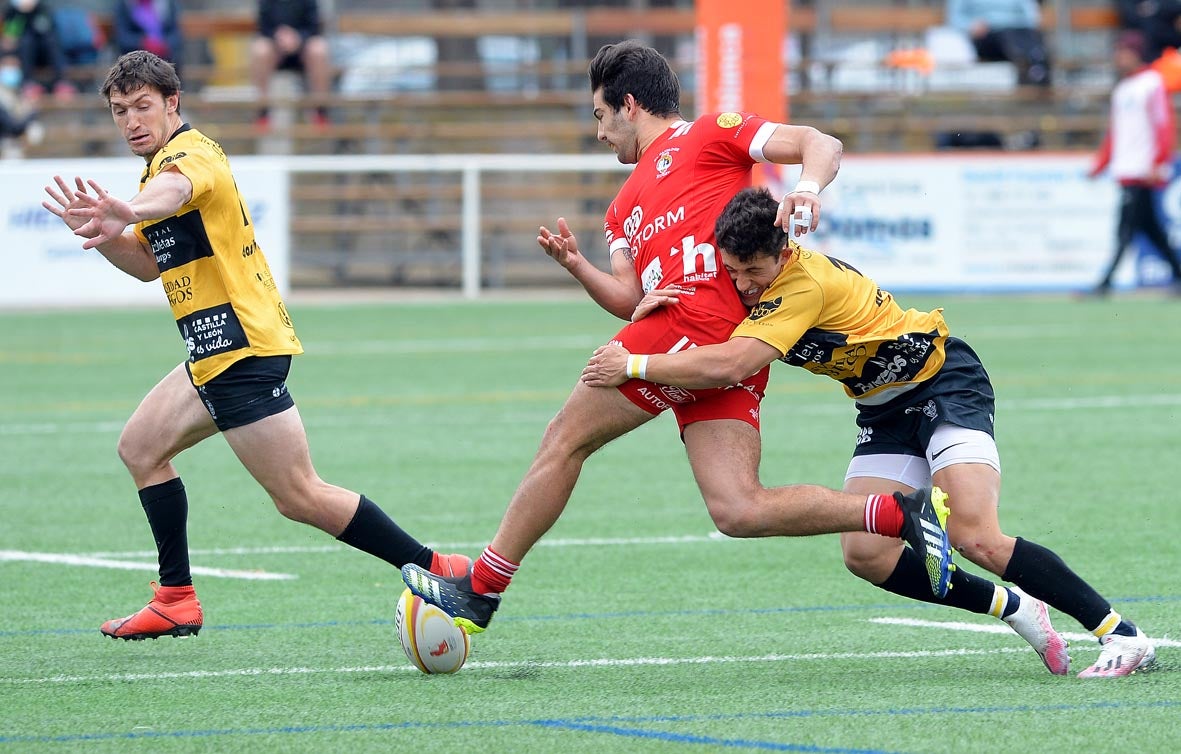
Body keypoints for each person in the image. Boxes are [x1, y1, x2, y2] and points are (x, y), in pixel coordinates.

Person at [402, 40, 962, 639]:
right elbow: (627, 296)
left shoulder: (709, 135)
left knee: (563, 440)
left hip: (699, 333)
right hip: (712, 354)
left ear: (630, 105)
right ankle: (898, 512)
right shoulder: (621, 208)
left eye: (599, 115)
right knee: (737, 510)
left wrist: (807, 188)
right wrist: (577, 267)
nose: (598, 133)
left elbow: (821, 144)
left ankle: (481, 591)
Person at [582, 185, 1158, 679]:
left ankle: (1121, 633)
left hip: (942, 384)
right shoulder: (751, 275)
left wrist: (635, 365)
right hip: (884, 411)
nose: (744, 286)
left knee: (974, 534)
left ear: (783, 253)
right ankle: (1015, 607)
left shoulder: (801, 285)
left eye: (754, 273)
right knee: (866, 554)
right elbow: (705, 310)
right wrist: (648, 307)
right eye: (734, 273)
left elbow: (731, 364)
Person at [40, 51, 468, 641]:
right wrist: (109, 233)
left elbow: (176, 189)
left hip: (241, 349)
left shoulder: (191, 156)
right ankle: (175, 599)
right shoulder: (155, 169)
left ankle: (439, 568)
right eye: (120, 111)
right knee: (140, 448)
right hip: (214, 351)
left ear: (172, 104)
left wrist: (129, 209)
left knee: (298, 495)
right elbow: (145, 264)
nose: (131, 120)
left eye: (143, 107)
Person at [1088, 29, 1181, 295]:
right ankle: (1178, 275)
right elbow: (1114, 134)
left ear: (1136, 53)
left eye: (1123, 52)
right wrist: (1101, 164)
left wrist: (1158, 160)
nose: (1118, 58)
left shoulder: (1152, 83)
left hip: (1143, 169)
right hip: (1127, 169)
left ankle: (1104, 283)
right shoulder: (1122, 88)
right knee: (1150, 229)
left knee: (1125, 229)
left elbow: (1164, 125)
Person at [250, 0, 331, 130]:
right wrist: (278, 36)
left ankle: (320, 111)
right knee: (260, 49)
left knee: (319, 49)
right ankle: (263, 111)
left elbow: (314, 26)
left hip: (303, 48)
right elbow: (263, 26)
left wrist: (298, 37)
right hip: (275, 48)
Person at [946, 0, 1052, 87]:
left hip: (1018, 31)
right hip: (987, 35)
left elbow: (1031, 15)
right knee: (1014, 43)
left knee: (1027, 42)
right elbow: (955, 19)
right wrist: (971, 25)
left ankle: (1034, 70)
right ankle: (1031, 67)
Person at [1, 0, 75, 102]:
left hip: (44, 53)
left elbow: (46, 29)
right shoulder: (12, 11)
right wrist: (22, 13)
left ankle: (61, 82)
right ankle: (28, 84)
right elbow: (9, 39)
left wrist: (30, 12)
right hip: (24, 54)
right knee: (27, 40)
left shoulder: (42, 8)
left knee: (50, 40)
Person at [112, 0, 183, 76]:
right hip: (135, 62)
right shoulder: (124, 5)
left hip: (165, 58)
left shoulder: (168, 4)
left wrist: (164, 45)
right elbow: (123, 38)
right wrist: (143, 42)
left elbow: (175, 36)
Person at [0, 49, 42, 157]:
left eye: (15, 65)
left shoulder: (18, 92)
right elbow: (12, 127)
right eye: (8, 65)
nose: (12, 69)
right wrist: (33, 112)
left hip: (17, 145)